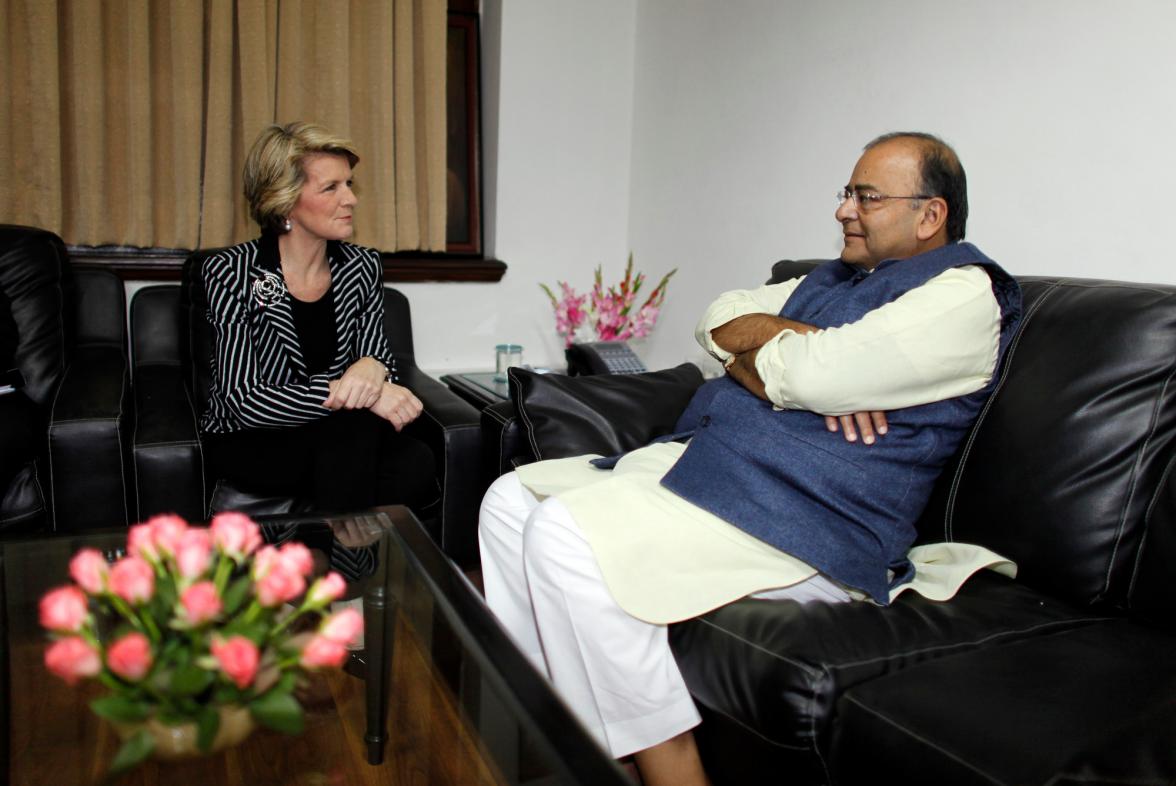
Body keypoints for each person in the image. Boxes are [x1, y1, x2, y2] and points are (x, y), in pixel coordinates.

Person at [478, 132, 1022, 786]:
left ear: (930, 215)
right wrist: (800, 352)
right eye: (847, 192)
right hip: (730, 471)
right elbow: (719, 318)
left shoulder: (962, 295)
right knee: (507, 502)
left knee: (564, 537)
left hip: (815, 515)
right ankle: (569, 739)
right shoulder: (838, 276)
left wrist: (784, 366)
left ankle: (668, 769)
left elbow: (816, 378)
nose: (844, 210)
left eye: (866, 197)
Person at [198, 121, 437, 517]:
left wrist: (371, 367)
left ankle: (334, 561)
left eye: (349, 184)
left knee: (412, 459)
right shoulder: (231, 272)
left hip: (341, 433)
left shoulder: (361, 265)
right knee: (377, 446)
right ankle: (355, 573)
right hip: (258, 437)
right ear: (284, 201)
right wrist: (356, 391)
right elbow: (244, 399)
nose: (351, 199)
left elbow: (379, 358)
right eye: (331, 188)